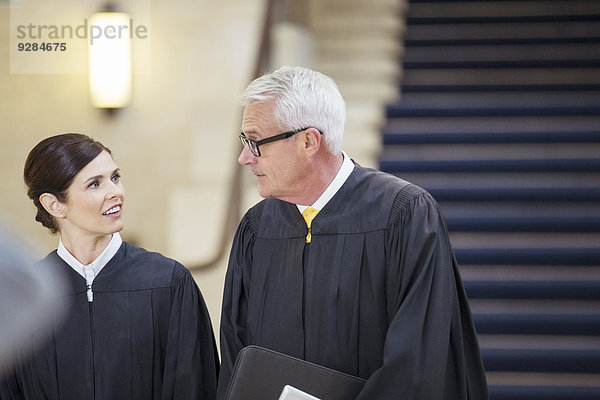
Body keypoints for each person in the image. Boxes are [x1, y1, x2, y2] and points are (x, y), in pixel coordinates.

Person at [217, 66, 489, 399]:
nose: (245, 157)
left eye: (256, 142)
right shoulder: (257, 229)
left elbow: (417, 362)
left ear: (308, 141)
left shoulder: (404, 215)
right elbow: (237, 355)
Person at [0, 133, 219, 400]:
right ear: (54, 204)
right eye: (95, 184)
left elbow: (195, 388)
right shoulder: (27, 294)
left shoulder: (168, 283)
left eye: (115, 178)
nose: (116, 192)